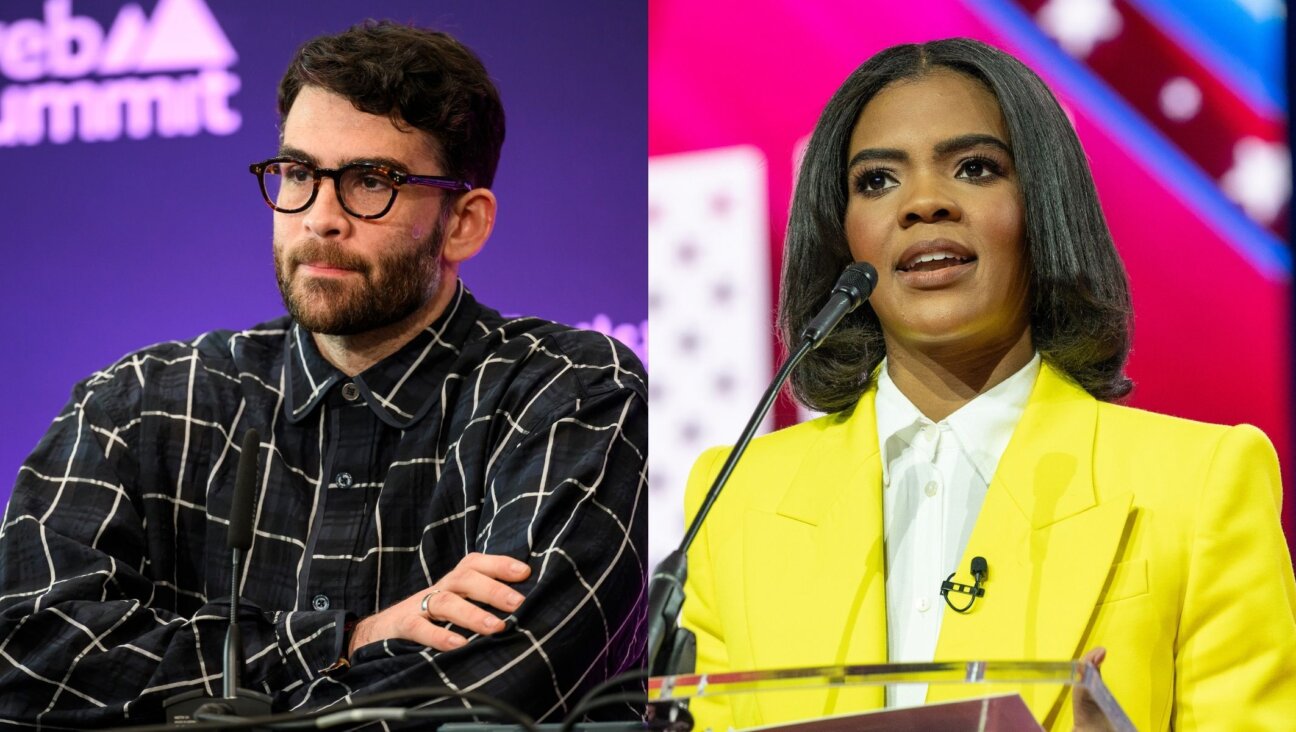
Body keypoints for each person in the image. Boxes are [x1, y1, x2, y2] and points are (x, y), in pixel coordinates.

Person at [0, 21, 647, 726]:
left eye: (373, 182)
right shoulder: (143, 402)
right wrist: (346, 640)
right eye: (300, 174)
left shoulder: (570, 393)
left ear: (463, 222)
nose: (320, 218)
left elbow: (506, 689)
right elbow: (24, 656)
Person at [680, 37, 1296, 731]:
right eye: (878, 181)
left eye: (975, 168)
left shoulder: (1200, 482)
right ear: (841, 234)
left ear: (1042, 208)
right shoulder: (737, 497)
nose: (924, 203)